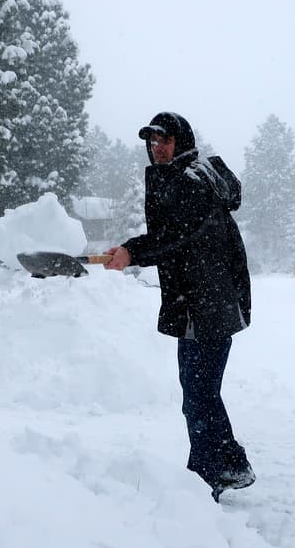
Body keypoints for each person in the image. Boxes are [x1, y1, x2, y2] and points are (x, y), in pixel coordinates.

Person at [104, 111, 256, 501]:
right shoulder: (182, 177)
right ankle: (224, 466)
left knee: (198, 395)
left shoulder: (191, 182)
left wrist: (131, 251)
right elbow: (170, 237)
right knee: (200, 392)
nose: (157, 149)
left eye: (164, 141)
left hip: (206, 305)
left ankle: (210, 475)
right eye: (152, 143)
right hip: (204, 303)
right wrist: (128, 250)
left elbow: (174, 237)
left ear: (181, 142)